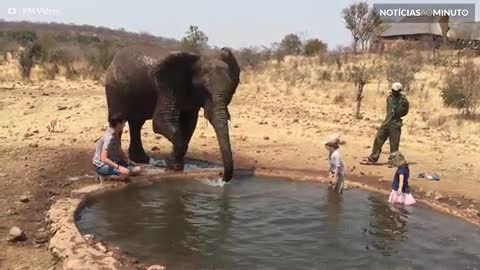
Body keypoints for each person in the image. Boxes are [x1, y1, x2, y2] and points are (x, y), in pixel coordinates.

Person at [362, 82, 409, 166]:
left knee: (394, 144)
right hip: (387, 122)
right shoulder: (389, 98)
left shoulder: (404, 101)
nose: (394, 92)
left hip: (395, 123)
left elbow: (405, 112)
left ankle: (393, 161)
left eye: (396, 91)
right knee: (378, 138)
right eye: (393, 90)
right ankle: (373, 158)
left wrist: (398, 115)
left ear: (399, 91)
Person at [93, 113, 141, 181]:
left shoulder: (116, 133)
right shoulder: (109, 138)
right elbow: (103, 158)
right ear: (118, 124)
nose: (124, 125)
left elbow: (118, 148)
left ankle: (115, 173)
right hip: (102, 165)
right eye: (123, 123)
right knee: (126, 173)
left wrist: (127, 159)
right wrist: (119, 167)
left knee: (137, 169)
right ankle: (105, 176)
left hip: (114, 160)